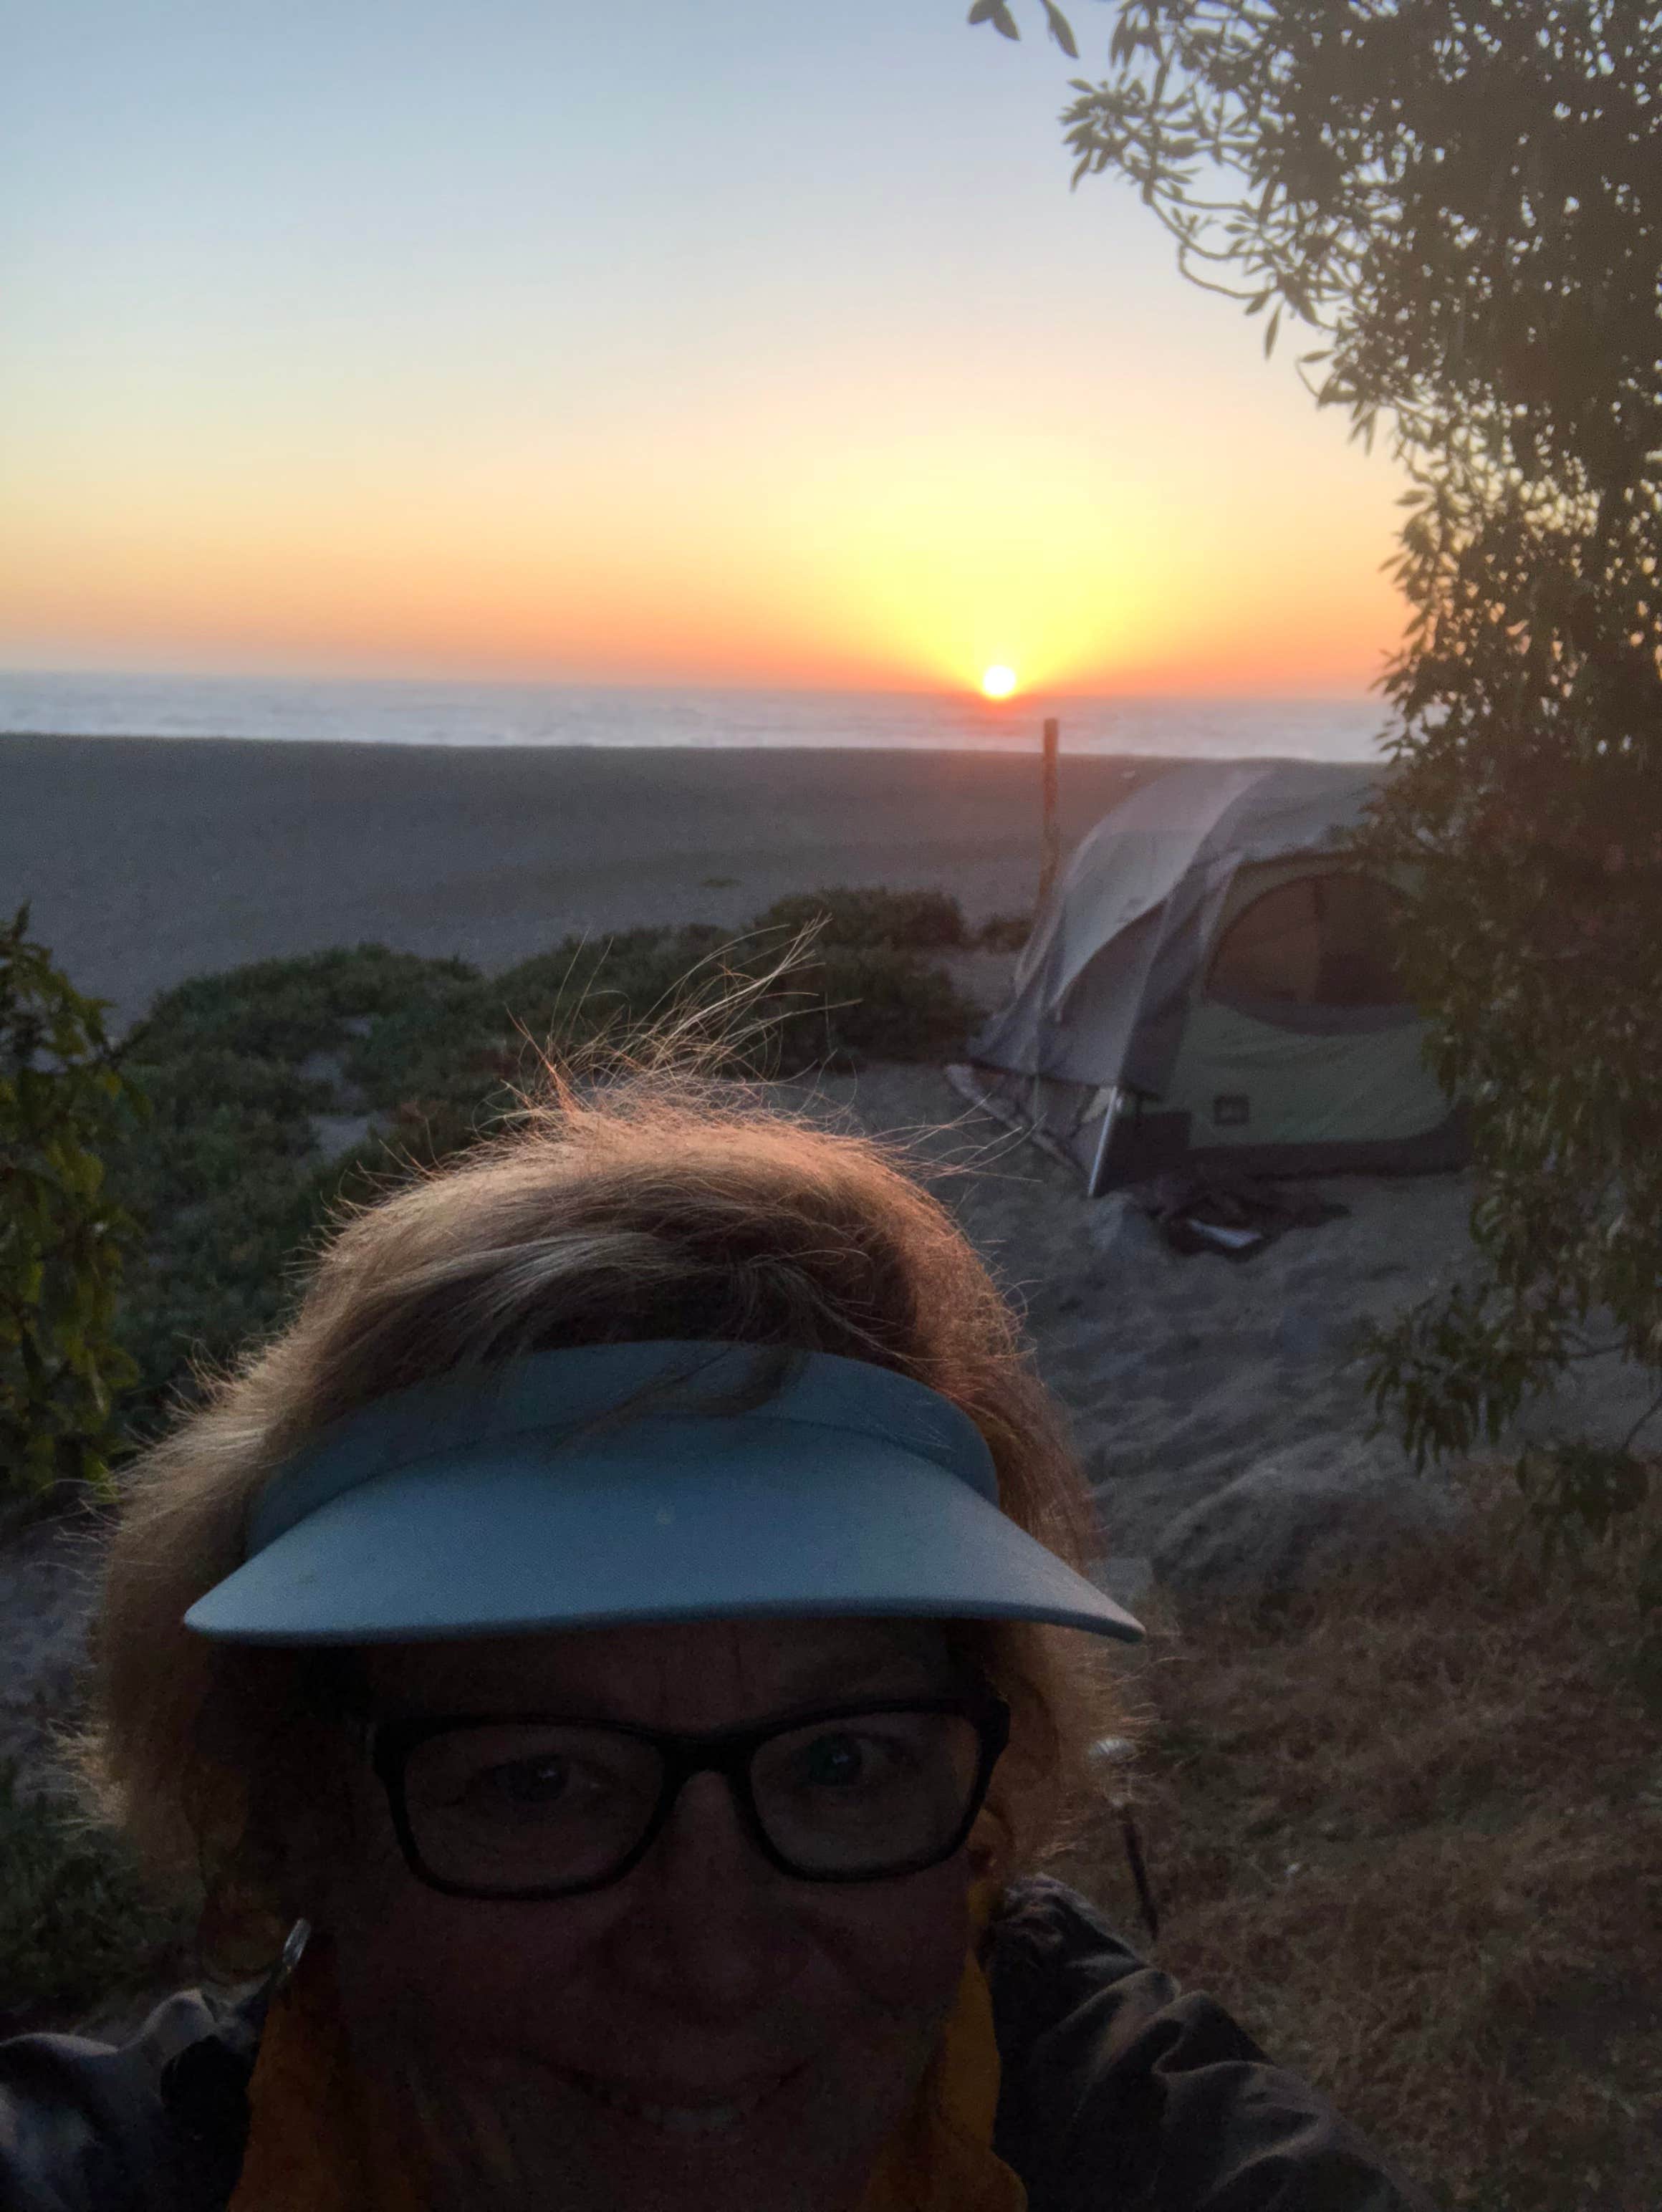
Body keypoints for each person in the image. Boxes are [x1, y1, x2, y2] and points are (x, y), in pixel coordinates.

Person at [0, 1069, 1433, 2211]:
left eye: (838, 1760)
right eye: (537, 1780)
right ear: (297, 1816)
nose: (715, 1956)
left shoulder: (1133, 2136)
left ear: (982, 1813)